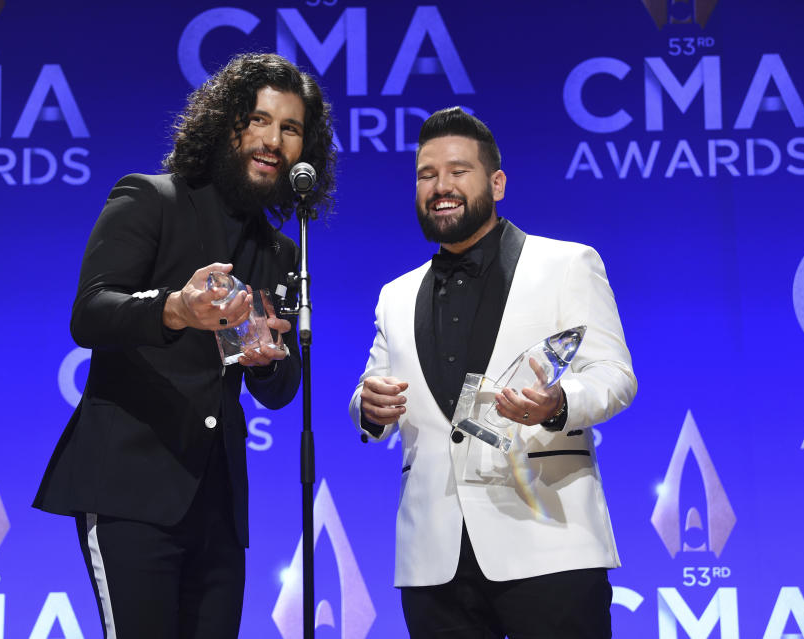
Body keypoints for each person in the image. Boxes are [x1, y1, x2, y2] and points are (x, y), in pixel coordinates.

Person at [34, 52, 335, 638]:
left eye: (290, 128)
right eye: (258, 120)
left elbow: (280, 390)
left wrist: (267, 361)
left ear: (306, 148)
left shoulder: (282, 253)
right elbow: (90, 312)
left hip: (218, 508)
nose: (272, 140)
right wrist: (175, 307)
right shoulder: (151, 199)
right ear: (227, 126)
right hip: (130, 491)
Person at [348, 107, 636, 638]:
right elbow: (373, 386)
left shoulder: (567, 264)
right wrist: (368, 408)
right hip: (434, 558)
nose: (441, 187)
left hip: (549, 541)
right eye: (427, 175)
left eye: (459, 171)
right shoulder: (396, 294)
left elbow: (614, 374)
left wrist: (560, 403)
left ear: (496, 183)